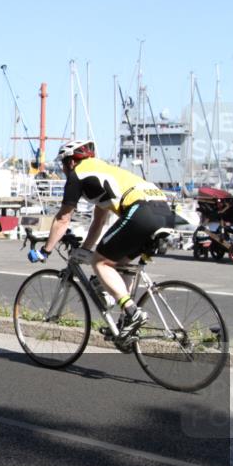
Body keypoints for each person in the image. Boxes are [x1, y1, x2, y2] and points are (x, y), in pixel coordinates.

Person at [27, 140, 173, 337]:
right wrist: (85, 249)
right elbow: (98, 222)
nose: (63, 169)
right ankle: (126, 324)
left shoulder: (78, 174)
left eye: (63, 164)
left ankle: (132, 311)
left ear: (70, 162)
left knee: (100, 263)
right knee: (120, 263)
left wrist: (45, 251)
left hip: (142, 210)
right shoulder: (102, 172)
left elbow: (63, 218)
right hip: (164, 210)